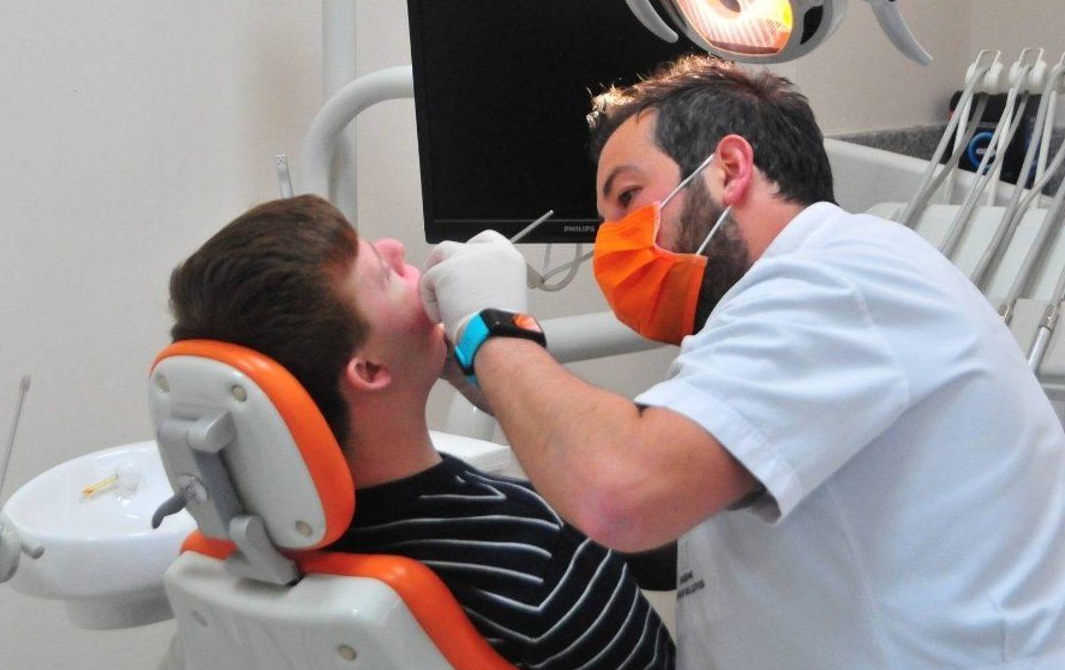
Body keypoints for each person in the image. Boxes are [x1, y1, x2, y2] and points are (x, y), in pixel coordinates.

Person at [419, 55, 1065, 668]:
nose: (613, 240)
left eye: (628, 197)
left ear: (729, 168)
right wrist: (499, 384)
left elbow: (625, 492)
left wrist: (493, 329)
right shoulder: (778, 304)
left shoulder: (837, 278)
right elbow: (678, 532)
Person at [167, 195, 676, 669]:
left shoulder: (244, 559)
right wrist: (506, 339)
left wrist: (510, 389)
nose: (395, 247)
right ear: (369, 370)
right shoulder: (538, 556)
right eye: (383, 272)